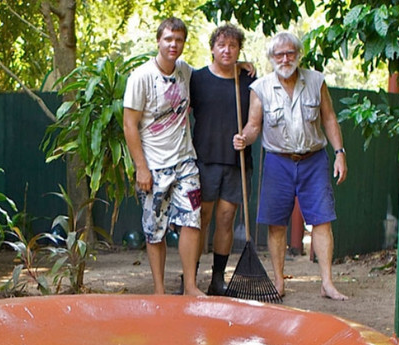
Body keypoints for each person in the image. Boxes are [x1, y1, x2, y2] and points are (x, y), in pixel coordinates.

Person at [234, 31, 349, 300]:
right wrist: (244, 138)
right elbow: (253, 125)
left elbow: (330, 118)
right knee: (276, 225)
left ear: (298, 55)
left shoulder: (316, 81)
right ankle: (278, 282)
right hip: (277, 161)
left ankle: (327, 283)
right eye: (279, 54)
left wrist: (340, 153)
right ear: (271, 58)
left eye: (290, 53)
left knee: (322, 222)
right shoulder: (260, 88)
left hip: (314, 159)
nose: (285, 59)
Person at [122, 17, 205, 297]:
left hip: (185, 162)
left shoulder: (185, 71)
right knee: (154, 229)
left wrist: (240, 67)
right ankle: (159, 289)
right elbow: (129, 125)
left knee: (192, 220)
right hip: (154, 166)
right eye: (169, 39)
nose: (174, 45)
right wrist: (140, 168)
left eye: (179, 40)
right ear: (158, 40)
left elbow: (213, 74)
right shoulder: (141, 76)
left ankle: (190, 286)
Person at [189, 23, 255, 296]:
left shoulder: (248, 80)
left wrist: (246, 137)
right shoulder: (197, 79)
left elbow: (255, 121)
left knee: (226, 219)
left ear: (239, 49)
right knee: (199, 219)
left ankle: (217, 279)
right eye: (222, 45)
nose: (227, 50)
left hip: (235, 161)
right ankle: (190, 277)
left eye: (233, 46)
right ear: (212, 49)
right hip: (203, 160)